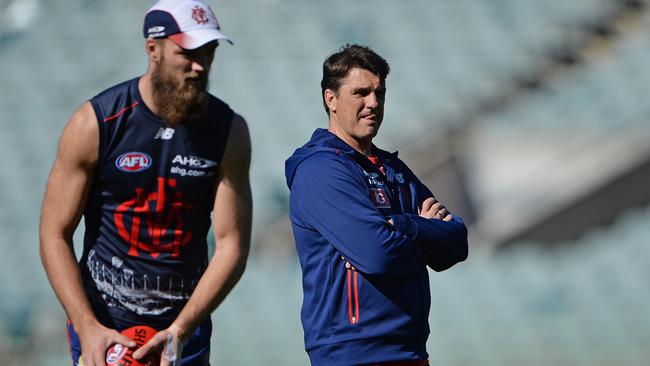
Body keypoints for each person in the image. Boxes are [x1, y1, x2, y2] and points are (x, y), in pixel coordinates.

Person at [39, 1, 252, 365]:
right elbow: (53, 233)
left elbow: (232, 245)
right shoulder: (95, 123)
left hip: (183, 332)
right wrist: (86, 327)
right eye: (187, 52)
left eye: (208, 52)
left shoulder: (228, 131)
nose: (200, 65)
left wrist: (181, 331)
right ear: (152, 48)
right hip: (105, 330)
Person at [285, 44, 469, 365]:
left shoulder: (392, 170)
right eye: (361, 93)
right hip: (352, 352)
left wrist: (406, 225)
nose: (373, 103)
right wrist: (424, 234)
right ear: (331, 98)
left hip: (409, 349)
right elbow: (377, 254)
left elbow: (456, 243)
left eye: (379, 93)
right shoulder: (321, 170)